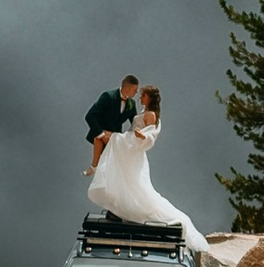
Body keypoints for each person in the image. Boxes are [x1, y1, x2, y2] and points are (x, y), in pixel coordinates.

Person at [87, 84, 209, 253]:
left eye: (143, 95)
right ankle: (119, 204)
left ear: (149, 98)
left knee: (134, 182)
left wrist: (142, 136)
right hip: (128, 144)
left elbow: (152, 133)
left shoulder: (151, 114)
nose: (140, 98)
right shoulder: (144, 113)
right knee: (128, 180)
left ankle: (97, 170)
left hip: (131, 145)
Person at [84, 75, 139, 175]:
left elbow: (135, 123)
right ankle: (94, 167)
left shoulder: (131, 103)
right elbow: (90, 116)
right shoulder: (108, 96)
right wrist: (101, 134)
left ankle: (95, 168)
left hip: (116, 138)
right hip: (101, 138)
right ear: (126, 88)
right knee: (107, 170)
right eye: (135, 90)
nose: (136, 93)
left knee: (115, 170)